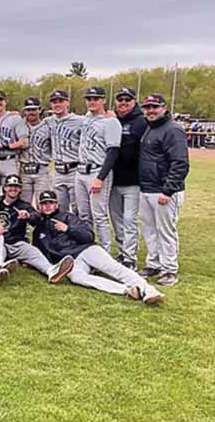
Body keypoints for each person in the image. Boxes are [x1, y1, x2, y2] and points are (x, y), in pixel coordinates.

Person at [32, 191, 164, 304]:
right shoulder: (38, 231)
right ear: (39, 207)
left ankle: (149, 290)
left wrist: (68, 229)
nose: (48, 206)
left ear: (57, 204)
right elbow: (40, 254)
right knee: (77, 278)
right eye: (44, 204)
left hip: (86, 250)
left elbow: (88, 236)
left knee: (113, 268)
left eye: (50, 203)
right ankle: (126, 290)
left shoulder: (67, 217)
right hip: (71, 261)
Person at [138, 94, 189, 286]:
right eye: (147, 107)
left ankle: (169, 270)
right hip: (147, 188)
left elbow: (180, 163)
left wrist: (168, 191)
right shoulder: (149, 129)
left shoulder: (173, 129)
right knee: (150, 230)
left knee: (166, 231)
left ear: (164, 108)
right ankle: (154, 264)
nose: (150, 110)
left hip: (164, 191)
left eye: (154, 107)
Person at [0, 175, 73, 282]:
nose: (13, 189)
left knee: (34, 252)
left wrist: (28, 216)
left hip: (17, 243)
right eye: (10, 186)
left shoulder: (24, 205)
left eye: (16, 186)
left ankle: (52, 271)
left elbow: (37, 218)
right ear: (4, 188)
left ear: (20, 189)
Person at [74, 86, 121, 253]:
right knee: (83, 215)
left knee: (99, 216)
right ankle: (88, 250)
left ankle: (105, 252)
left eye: (96, 98)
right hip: (80, 171)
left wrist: (100, 177)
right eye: (89, 99)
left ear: (104, 100)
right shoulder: (86, 118)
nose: (92, 102)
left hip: (97, 170)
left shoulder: (111, 122)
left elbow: (113, 151)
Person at [109, 87, 147, 269]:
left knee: (129, 220)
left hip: (133, 181)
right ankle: (123, 252)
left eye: (127, 100)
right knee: (116, 220)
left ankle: (130, 257)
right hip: (113, 180)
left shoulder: (141, 122)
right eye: (120, 100)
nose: (123, 103)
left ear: (134, 102)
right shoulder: (112, 120)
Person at [0, 89, 29, 200]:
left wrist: (7, 146)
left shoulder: (15, 118)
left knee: (12, 194)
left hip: (10, 160)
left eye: (0, 100)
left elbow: (25, 142)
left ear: (5, 102)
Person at [49, 90, 84, 212]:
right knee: (59, 208)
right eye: (54, 102)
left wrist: (109, 115)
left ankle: (81, 231)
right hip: (58, 171)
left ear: (67, 103)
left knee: (78, 208)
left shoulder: (80, 120)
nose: (57, 104)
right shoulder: (49, 121)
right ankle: (62, 231)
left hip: (74, 169)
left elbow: (97, 120)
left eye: (61, 101)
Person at [18, 97, 52, 205]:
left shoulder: (48, 126)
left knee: (43, 203)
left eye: (34, 109)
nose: (31, 112)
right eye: (28, 110)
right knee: (23, 204)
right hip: (24, 169)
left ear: (40, 110)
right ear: (24, 111)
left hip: (41, 169)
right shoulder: (20, 126)